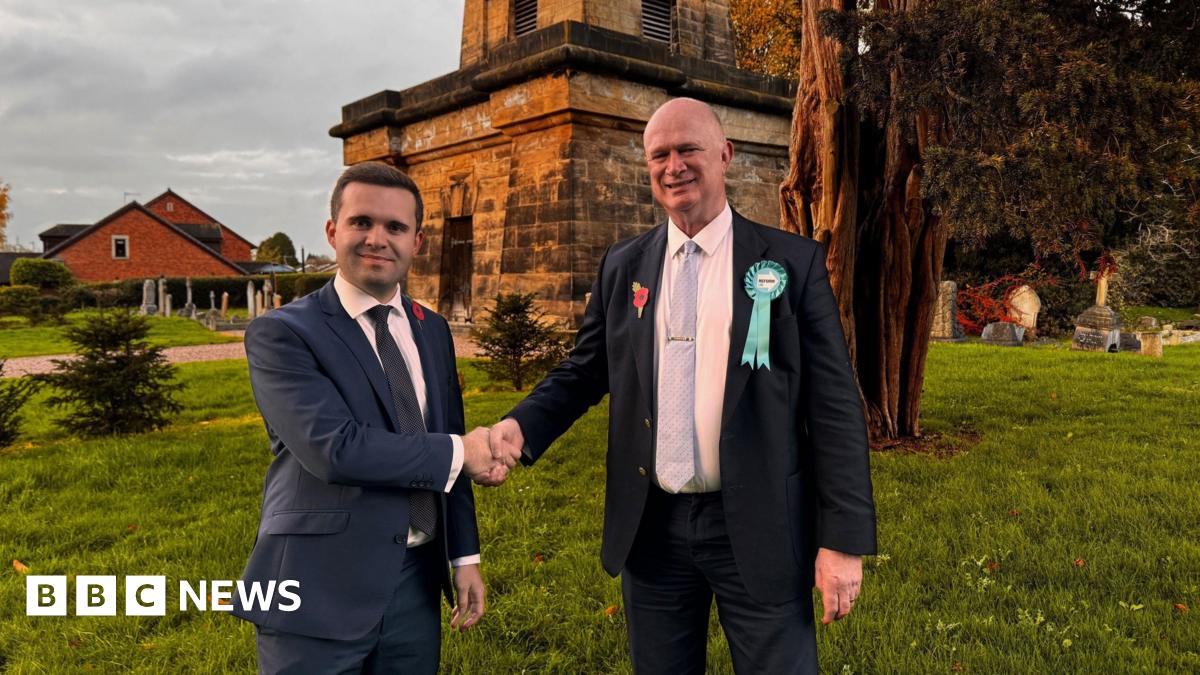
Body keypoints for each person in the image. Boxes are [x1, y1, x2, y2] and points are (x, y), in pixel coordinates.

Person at [489, 98, 877, 674]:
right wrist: (517, 429)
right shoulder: (624, 265)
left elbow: (836, 409)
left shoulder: (791, 265)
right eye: (660, 155)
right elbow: (584, 371)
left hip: (761, 523)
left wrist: (842, 540)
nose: (674, 166)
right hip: (652, 529)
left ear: (725, 154)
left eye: (688, 149)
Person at [233, 161, 506, 674]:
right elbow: (333, 449)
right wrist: (463, 452)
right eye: (362, 222)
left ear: (417, 242)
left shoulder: (433, 330)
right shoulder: (283, 334)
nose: (377, 238)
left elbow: (448, 446)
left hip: (414, 585)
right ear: (333, 231)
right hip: (316, 589)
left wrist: (463, 556)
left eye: (395, 227)